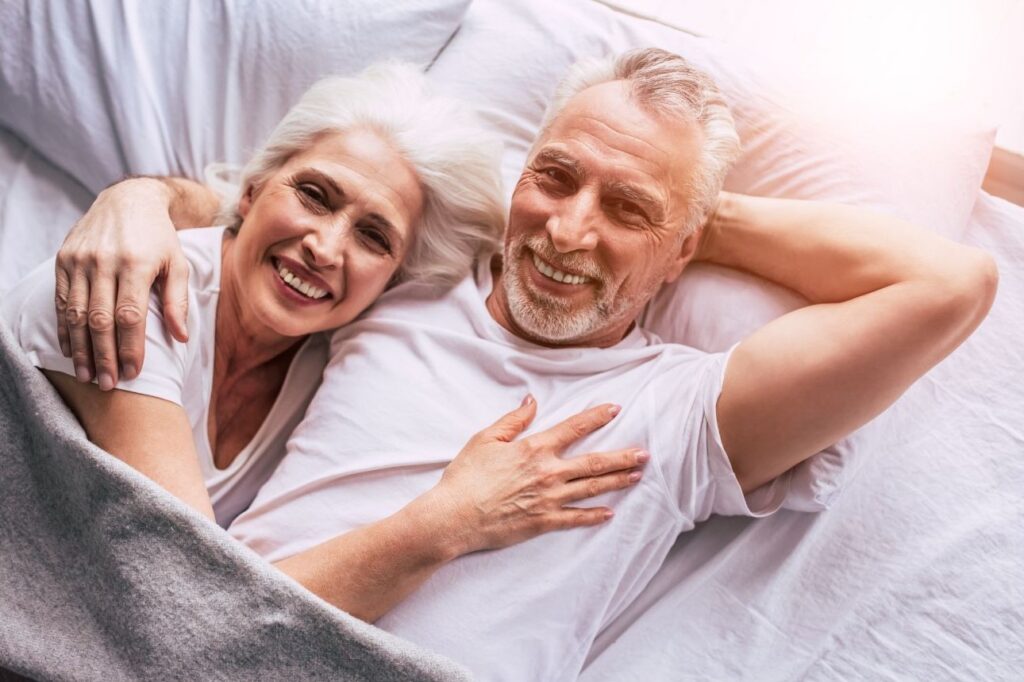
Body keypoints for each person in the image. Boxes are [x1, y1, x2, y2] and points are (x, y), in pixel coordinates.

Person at [51, 48, 997, 680]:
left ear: (683, 251)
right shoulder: (406, 279)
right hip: (200, 647)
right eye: (554, 176)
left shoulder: (680, 410)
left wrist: (699, 219)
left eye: (624, 211)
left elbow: (951, 283)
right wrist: (137, 197)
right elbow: (266, 208)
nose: (568, 228)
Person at [0, 63, 651, 624]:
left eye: (374, 237)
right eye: (314, 195)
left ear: (392, 280)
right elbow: (192, 596)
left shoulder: (328, 355)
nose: (325, 247)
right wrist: (451, 520)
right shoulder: (134, 286)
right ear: (253, 190)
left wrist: (680, 227)